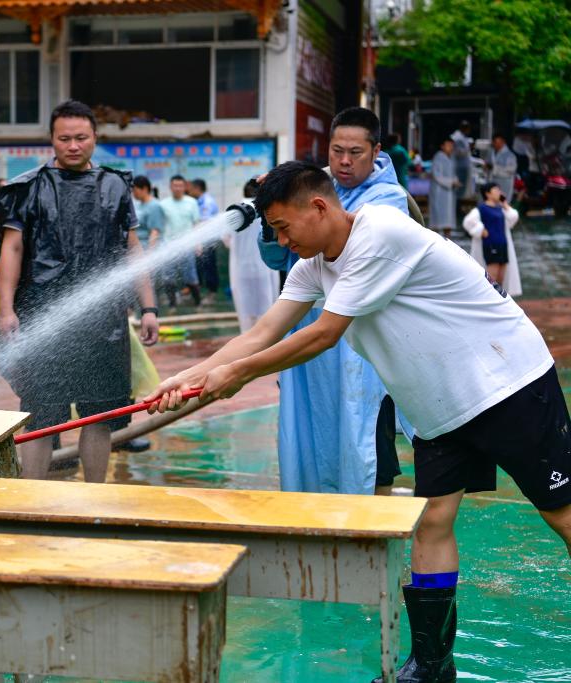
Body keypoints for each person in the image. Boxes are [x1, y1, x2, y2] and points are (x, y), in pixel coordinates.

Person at [149, 160, 571, 683]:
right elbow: (261, 334)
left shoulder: (381, 233)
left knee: (561, 514)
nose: (279, 241)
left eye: (283, 227)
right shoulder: (312, 266)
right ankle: (432, 667)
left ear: (319, 207)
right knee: (432, 524)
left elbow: (323, 334)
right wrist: (187, 377)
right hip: (439, 408)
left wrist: (234, 375)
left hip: (507, 382)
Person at [0, 99, 160, 483]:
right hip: (44, 313)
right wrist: (7, 310)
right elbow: (12, 249)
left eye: (81, 137)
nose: (73, 145)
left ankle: (94, 494)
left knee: (98, 414)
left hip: (103, 320)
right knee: (41, 412)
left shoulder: (116, 185)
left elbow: (132, 249)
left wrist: (149, 307)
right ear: (51, 140)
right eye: (64, 138)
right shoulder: (27, 188)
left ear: (94, 138)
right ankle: (29, 501)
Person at [257, 106, 410, 496]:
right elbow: (276, 259)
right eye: (336, 150)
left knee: (368, 434)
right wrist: (271, 212)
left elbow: (346, 247)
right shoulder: (313, 194)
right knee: (309, 425)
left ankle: (374, 536)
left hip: (358, 338)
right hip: (306, 324)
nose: (343, 161)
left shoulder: (386, 204)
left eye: (355, 153)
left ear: (376, 151)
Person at [228, 178, 280, 332]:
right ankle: (266, 344)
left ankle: (247, 344)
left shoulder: (234, 212)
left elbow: (227, 240)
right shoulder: (267, 210)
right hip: (265, 269)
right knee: (267, 310)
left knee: (245, 313)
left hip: (241, 270)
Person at [463, 182, 522, 297]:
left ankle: (499, 303)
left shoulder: (500, 209)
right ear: (488, 194)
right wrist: (481, 230)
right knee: (491, 279)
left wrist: (504, 204)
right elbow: (468, 222)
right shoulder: (481, 209)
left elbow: (514, 217)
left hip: (503, 245)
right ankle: (488, 301)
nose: (499, 192)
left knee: (501, 279)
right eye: (496, 190)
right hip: (491, 245)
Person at [160, 175, 201, 306]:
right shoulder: (163, 204)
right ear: (170, 187)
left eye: (180, 186)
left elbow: (196, 224)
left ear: (185, 187)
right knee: (168, 279)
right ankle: (172, 304)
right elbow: (160, 227)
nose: (177, 188)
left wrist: (198, 243)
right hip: (168, 247)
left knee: (191, 277)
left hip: (187, 246)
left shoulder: (192, 202)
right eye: (175, 186)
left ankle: (198, 303)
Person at [189, 178, 221, 302]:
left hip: (208, 240)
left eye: (191, 188)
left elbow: (204, 223)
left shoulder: (207, 202)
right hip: (202, 240)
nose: (190, 191)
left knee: (209, 266)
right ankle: (206, 292)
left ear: (197, 188)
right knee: (203, 267)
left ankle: (212, 293)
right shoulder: (199, 201)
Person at [430, 139, 460, 239]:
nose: (450, 148)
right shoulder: (438, 157)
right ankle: (435, 241)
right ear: (442, 146)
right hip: (439, 192)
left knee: (448, 218)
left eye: (452, 146)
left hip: (449, 192)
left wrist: (455, 181)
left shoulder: (451, 158)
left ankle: (448, 240)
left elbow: (453, 173)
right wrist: (451, 182)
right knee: (438, 218)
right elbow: (436, 175)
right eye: (448, 145)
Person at [132, 175, 164, 250]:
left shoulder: (154, 206)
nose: (133, 193)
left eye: (135, 190)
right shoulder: (137, 204)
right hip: (139, 249)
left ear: (145, 189)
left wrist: (149, 254)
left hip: (147, 249)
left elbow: (154, 232)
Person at [489, 134, 518, 200]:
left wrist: (494, 168)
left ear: (503, 142)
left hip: (505, 184)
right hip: (494, 183)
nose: (495, 144)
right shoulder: (492, 152)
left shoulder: (510, 155)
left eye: (497, 142)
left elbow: (512, 170)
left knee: (503, 203)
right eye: (494, 142)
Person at [451, 120, 473, 201]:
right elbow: (458, 152)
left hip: (463, 166)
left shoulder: (462, 137)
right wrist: (469, 148)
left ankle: (458, 205)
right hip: (459, 166)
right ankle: (457, 207)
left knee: (461, 189)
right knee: (459, 188)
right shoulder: (457, 138)